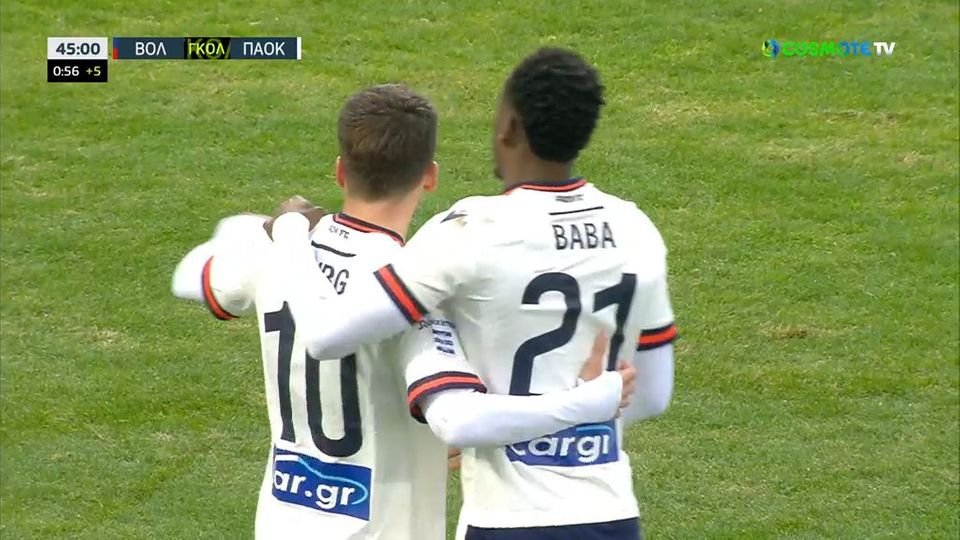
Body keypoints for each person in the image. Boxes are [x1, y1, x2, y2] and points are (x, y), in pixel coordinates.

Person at [172, 83, 637, 540]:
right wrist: (588, 402)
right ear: (430, 177)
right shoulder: (410, 291)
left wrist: (255, 230)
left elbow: (190, 277)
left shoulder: (280, 254)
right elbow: (457, 416)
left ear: (340, 171)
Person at [272, 49, 677, 539]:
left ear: (508, 127)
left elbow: (324, 335)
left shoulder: (468, 230)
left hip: (507, 522)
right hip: (610, 515)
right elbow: (652, 395)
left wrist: (292, 232)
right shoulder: (636, 228)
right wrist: (583, 417)